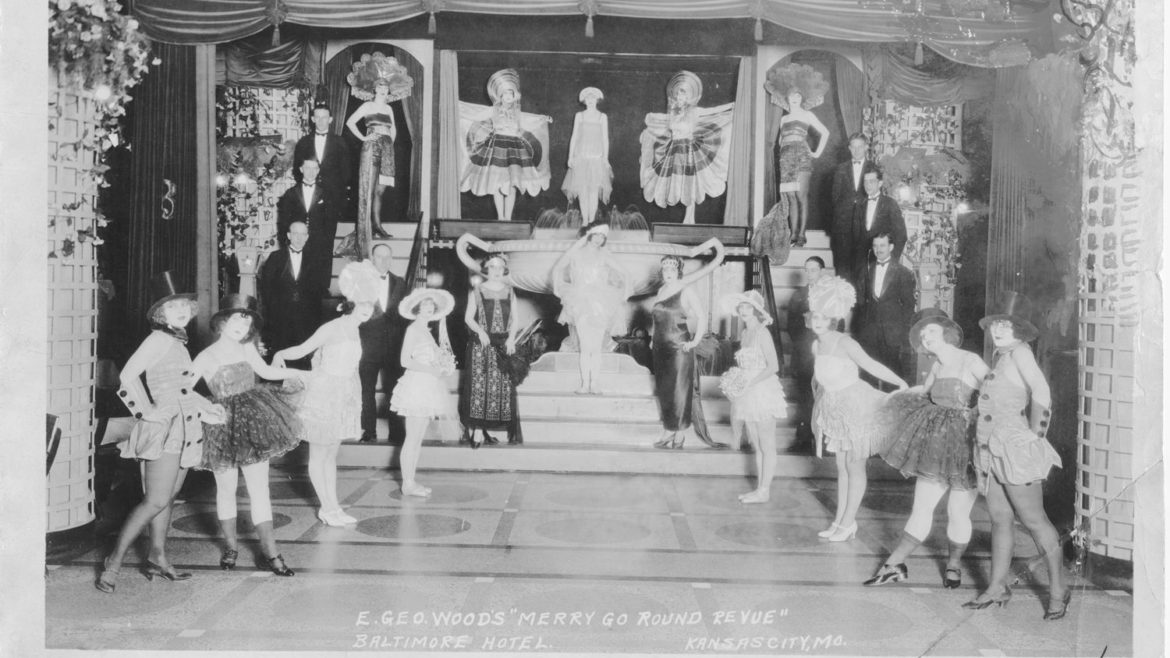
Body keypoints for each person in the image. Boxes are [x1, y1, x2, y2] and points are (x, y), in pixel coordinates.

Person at [96, 271, 226, 593]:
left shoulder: (177, 341)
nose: (180, 311)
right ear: (160, 314)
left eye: (184, 305)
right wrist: (146, 412)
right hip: (164, 429)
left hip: (184, 426)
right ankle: (113, 561)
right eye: (172, 307)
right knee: (155, 500)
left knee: (167, 498)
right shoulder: (158, 339)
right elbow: (127, 376)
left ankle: (157, 556)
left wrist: (207, 409)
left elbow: (181, 389)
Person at [864, 309, 988, 588]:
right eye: (922, 334)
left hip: (965, 447)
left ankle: (954, 564)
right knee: (921, 508)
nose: (925, 336)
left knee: (958, 513)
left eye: (931, 331)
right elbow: (924, 391)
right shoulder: (937, 365)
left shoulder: (970, 359)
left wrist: (975, 413)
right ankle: (894, 564)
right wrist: (897, 393)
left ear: (946, 333)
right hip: (936, 444)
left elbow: (994, 391)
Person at [964, 291, 1067, 620]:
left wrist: (1036, 434)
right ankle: (997, 587)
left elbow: (1042, 390)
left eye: (1006, 325)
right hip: (993, 448)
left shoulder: (1020, 352)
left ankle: (1059, 591)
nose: (998, 330)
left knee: (1035, 521)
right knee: (999, 518)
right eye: (995, 324)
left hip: (1013, 449)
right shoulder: (1002, 355)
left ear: (1019, 330)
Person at [191, 294, 306, 576]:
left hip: (253, 421)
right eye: (236, 320)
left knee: (259, 489)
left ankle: (271, 552)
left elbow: (266, 371)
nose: (241, 327)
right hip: (221, 427)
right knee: (226, 489)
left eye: (246, 323)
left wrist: (302, 373)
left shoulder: (247, 349)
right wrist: (204, 410)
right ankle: (231, 548)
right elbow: (183, 389)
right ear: (222, 322)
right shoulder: (206, 356)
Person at [272, 261, 381, 526]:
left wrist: (352, 399)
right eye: (362, 303)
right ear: (351, 302)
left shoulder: (355, 329)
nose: (367, 309)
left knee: (331, 455)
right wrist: (280, 354)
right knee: (319, 455)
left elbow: (351, 370)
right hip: (323, 396)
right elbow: (303, 349)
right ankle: (326, 508)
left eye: (370, 304)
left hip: (342, 395)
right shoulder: (332, 327)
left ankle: (334, 507)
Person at [808, 275, 908, 541]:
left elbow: (871, 365)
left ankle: (848, 522)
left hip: (857, 406)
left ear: (833, 319)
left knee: (854, 466)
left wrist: (899, 382)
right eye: (815, 317)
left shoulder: (845, 342)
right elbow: (818, 380)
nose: (818, 322)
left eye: (823, 318)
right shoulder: (816, 345)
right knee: (841, 467)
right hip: (834, 407)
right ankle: (841, 521)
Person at [650, 243, 727, 450]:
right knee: (665, 390)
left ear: (678, 271)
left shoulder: (686, 290)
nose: (668, 272)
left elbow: (701, 316)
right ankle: (669, 429)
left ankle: (680, 434)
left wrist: (694, 342)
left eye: (672, 268)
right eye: (665, 268)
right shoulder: (661, 290)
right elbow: (656, 317)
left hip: (679, 348)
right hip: (660, 348)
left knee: (679, 390)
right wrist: (652, 337)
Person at [338, 52, 414, 259]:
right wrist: (364, 138)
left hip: (387, 149)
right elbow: (350, 123)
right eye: (380, 86)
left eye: (385, 87)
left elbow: (394, 128)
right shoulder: (367, 106)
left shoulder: (389, 109)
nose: (383, 89)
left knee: (380, 190)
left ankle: (378, 225)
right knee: (368, 189)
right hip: (371, 147)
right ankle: (366, 229)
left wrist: (390, 142)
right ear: (374, 89)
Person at [639, 70, 735, 224]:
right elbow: (666, 121)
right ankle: (687, 217)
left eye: (683, 95)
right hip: (674, 149)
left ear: (688, 97)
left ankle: (690, 218)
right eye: (678, 95)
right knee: (678, 183)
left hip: (688, 149)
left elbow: (712, 111)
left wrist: (731, 106)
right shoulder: (673, 112)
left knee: (690, 183)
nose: (679, 97)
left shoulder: (694, 111)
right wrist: (653, 117)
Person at [719, 290, 788, 502]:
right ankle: (760, 490)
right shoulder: (745, 333)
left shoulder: (762, 333)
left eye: (748, 307)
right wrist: (737, 381)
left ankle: (765, 490)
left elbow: (774, 366)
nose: (743, 310)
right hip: (747, 392)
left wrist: (750, 382)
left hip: (763, 390)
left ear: (757, 310)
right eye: (741, 307)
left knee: (767, 444)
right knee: (757, 444)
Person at [459, 68, 553, 220]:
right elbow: (476, 112)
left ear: (515, 96)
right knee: (497, 184)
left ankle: (508, 218)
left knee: (512, 184)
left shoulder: (517, 112)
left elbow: (529, 119)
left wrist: (542, 119)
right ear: (500, 95)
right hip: (497, 148)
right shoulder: (493, 110)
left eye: (511, 93)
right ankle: (500, 217)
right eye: (505, 94)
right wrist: (459, 106)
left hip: (514, 150)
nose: (508, 97)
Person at [390, 288, 459, 497]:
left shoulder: (426, 330)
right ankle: (407, 483)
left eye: (431, 305)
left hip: (427, 385)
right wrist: (431, 370)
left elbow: (433, 358)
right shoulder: (413, 329)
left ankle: (410, 481)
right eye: (424, 305)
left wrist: (444, 366)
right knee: (412, 437)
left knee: (417, 438)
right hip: (417, 386)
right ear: (417, 309)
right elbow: (404, 360)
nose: (428, 308)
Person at [455, 237, 522, 447]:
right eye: (492, 266)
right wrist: (480, 332)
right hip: (481, 344)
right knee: (479, 386)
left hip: (502, 344)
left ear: (504, 270)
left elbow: (516, 319)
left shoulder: (510, 291)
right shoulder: (477, 290)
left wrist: (511, 339)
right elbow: (468, 318)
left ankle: (485, 429)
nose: (496, 270)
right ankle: (476, 429)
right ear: (486, 268)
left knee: (499, 387)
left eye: (499, 267)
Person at [550, 223, 631, 394]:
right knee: (586, 347)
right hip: (581, 302)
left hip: (601, 303)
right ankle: (584, 384)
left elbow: (625, 272)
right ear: (589, 234)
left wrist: (625, 293)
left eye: (603, 236)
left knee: (596, 347)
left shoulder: (604, 254)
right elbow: (558, 267)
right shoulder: (576, 253)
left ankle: (594, 383)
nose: (599, 239)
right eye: (597, 234)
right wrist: (557, 289)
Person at [766, 70, 830, 247]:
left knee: (801, 196)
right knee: (791, 197)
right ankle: (792, 234)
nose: (795, 98)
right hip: (786, 159)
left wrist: (816, 153)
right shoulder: (783, 119)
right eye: (792, 95)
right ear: (787, 98)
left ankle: (802, 234)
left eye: (798, 95)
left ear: (802, 98)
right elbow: (781, 141)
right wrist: (784, 151)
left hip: (802, 157)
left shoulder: (807, 115)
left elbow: (825, 132)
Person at [257, 221, 329, 370]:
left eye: (303, 234)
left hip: (306, 318)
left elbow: (318, 290)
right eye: (295, 234)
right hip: (281, 318)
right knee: (280, 355)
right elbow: (267, 288)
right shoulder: (276, 257)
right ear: (289, 235)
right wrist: (274, 313)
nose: (299, 238)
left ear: (307, 237)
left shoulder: (315, 259)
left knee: (304, 356)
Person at [358, 243, 409, 443]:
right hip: (368, 346)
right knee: (366, 390)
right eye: (379, 256)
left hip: (394, 347)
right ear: (372, 259)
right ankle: (368, 431)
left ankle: (396, 433)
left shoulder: (400, 283)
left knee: (395, 390)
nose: (384, 260)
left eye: (388, 257)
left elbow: (406, 315)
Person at [856, 233, 917, 387]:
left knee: (893, 373)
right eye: (875, 246)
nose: (878, 249)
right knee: (869, 373)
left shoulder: (903, 272)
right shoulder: (866, 270)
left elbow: (909, 305)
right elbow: (861, 303)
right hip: (870, 331)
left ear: (891, 247)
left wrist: (902, 332)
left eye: (882, 245)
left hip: (892, 332)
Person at [276, 159, 340, 285]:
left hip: (319, 242)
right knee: (297, 276)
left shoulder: (327, 194)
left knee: (318, 280)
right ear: (301, 169)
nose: (311, 172)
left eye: (314, 168)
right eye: (307, 168)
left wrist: (327, 241)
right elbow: (284, 221)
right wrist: (286, 241)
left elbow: (331, 221)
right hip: (297, 241)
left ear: (318, 170)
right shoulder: (290, 193)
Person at [785, 256, 825, 451]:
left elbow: (839, 323)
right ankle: (803, 437)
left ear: (822, 271)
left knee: (824, 395)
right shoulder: (798, 295)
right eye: (807, 270)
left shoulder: (831, 294)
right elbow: (791, 326)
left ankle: (824, 438)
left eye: (813, 270)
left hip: (824, 353)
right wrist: (805, 343)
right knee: (804, 395)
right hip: (804, 354)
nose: (809, 274)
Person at [561, 87, 613, 225]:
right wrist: (570, 157)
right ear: (584, 100)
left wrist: (605, 158)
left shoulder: (602, 117)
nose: (590, 100)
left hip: (596, 158)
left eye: (593, 98)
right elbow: (574, 136)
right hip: (581, 158)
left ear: (597, 100)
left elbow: (605, 139)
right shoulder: (580, 116)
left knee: (593, 191)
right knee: (582, 190)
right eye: (588, 98)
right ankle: (585, 220)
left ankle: (591, 220)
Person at [829, 133, 874, 282]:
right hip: (843, 225)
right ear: (849, 148)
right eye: (853, 147)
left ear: (866, 147)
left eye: (860, 147)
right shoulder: (840, 169)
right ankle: (843, 295)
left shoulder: (873, 168)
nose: (856, 150)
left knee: (861, 268)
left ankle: (859, 297)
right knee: (842, 266)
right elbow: (834, 197)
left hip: (864, 224)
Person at [852, 168, 907, 284]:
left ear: (880, 183)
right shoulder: (859, 204)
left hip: (883, 258)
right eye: (865, 182)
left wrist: (892, 259)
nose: (867, 185)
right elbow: (856, 235)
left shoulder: (890, 203)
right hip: (862, 262)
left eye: (871, 181)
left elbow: (901, 235)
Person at [293, 101, 353, 203]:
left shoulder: (340, 142)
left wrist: (337, 190)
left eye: (324, 117)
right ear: (313, 119)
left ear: (330, 119)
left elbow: (346, 172)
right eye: (317, 117)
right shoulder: (304, 142)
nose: (321, 121)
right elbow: (297, 170)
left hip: (333, 195)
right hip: (310, 195)